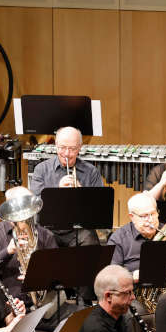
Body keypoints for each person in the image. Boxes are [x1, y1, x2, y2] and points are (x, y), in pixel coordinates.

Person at [28, 126, 103, 303]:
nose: (67, 153)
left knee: (90, 242)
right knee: (42, 245)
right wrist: (57, 192)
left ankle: (85, 299)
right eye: (62, 148)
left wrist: (81, 193)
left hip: (77, 228)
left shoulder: (90, 171)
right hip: (49, 227)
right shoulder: (42, 170)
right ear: (55, 146)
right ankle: (45, 301)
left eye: (72, 149)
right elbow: (35, 206)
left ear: (80, 148)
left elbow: (98, 208)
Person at [0, 186, 71, 331]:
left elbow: (58, 274)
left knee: (77, 322)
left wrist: (39, 277)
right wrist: (7, 251)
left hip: (41, 306)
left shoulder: (45, 235)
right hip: (6, 305)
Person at [108, 193, 160, 283]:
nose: (151, 220)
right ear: (132, 217)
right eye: (144, 216)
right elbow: (111, 275)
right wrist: (131, 276)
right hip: (133, 291)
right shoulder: (118, 239)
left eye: (153, 213)